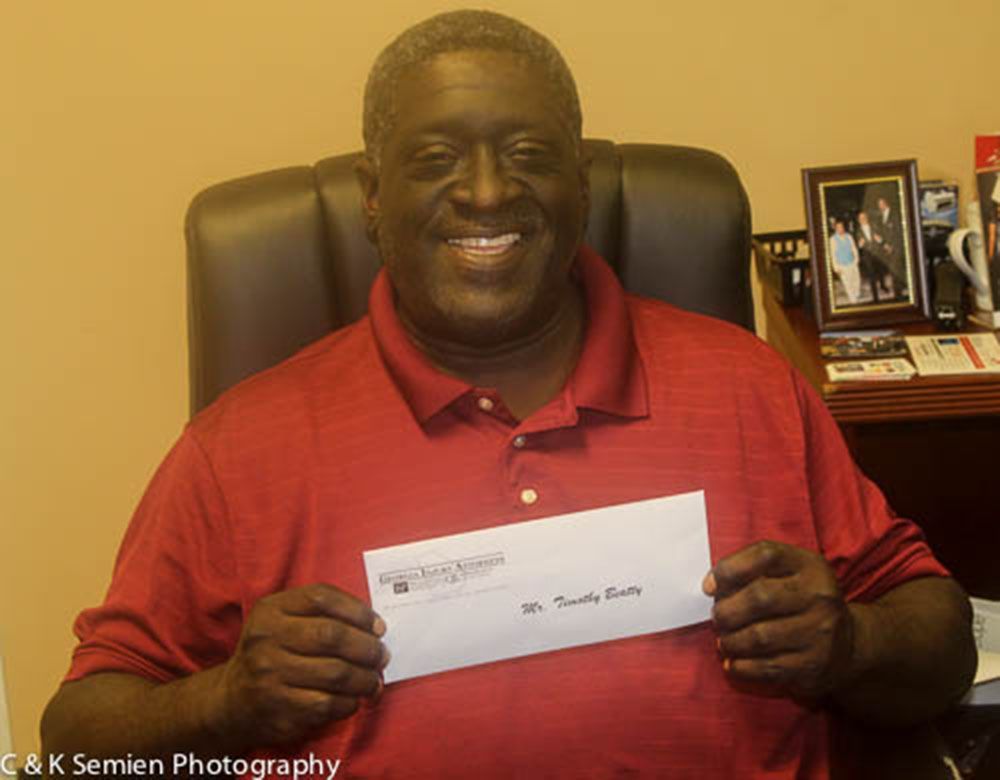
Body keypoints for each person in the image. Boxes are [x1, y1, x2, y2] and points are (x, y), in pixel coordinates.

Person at [42, 10, 975, 779]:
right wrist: (229, 698)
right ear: (373, 195)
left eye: (526, 152)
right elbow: (79, 738)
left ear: (577, 177)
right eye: (436, 159)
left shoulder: (747, 385)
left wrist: (848, 644)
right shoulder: (238, 446)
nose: (486, 193)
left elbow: (940, 639)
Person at [875, 195, 908, 298]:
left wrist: (892, 246)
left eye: (881, 203)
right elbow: (883, 233)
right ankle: (901, 288)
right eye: (878, 204)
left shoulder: (895, 215)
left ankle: (898, 293)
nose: (880, 206)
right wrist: (883, 243)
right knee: (894, 269)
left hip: (896, 248)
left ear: (886, 203)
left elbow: (898, 233)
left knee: (895, 269)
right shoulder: (881, 217)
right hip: (887, 248)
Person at [854, 211, 890, 302]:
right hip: (867, 255)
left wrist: (880, 240)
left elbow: (881, 239)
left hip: (878, 253)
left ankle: (883, 286)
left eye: (864, 217)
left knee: (880, 271)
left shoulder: (874, 226)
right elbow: (858, 246)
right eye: (861, 218)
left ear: (867, 218)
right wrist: (860, 244)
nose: (863, 219)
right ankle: (875, 295)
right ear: (859, 220)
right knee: (871, 274)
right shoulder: (857, 231)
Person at [828, 219, 861, 304]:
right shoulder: (832, 239)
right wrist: (835, 267)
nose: (840, 229)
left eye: (842, 227)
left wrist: (856, 259)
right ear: (835, 228)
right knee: (847, 283)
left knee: (856, 280)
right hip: (842, 265)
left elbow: (854, 248)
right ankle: (852, 298)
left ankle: (856, 294)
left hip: (852, 262)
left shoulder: (849, 236)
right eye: (838, 227)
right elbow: (833, 254)